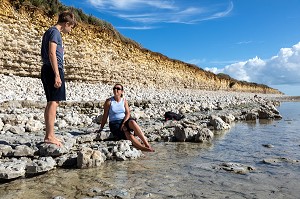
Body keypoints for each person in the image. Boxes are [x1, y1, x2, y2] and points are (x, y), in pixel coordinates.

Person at [40, 11, 77, 146]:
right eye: (71, 27)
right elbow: (51, 52)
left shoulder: (49, 32)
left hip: (48, 68)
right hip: (52, 69)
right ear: (66, 23)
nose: (70, 30)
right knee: (54, 102)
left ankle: (49, 135)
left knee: (52, 101)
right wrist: (56, 73)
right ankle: (49, 136)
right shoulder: (55, 32)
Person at [98, 84, 155, 152]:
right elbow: (105, 116)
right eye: (114, 88)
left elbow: (128, 113)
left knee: (133, 122)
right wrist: (101, 128)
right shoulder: (109, 101)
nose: (115, 90)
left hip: (124, 120)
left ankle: (147, 144)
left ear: (122, 91)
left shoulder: (124, 100)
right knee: (127, 133)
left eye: (118, 88)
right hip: (114, 123)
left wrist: (124, 123)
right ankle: (143, 148)